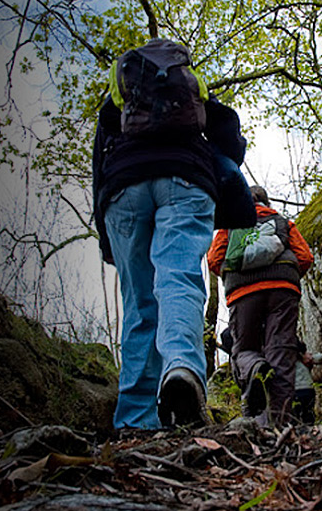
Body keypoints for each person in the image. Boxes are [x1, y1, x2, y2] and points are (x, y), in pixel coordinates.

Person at [92, 38, 250, 430]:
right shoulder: (192, 86)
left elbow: (99, 158)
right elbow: (228, 131)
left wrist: (105, 235)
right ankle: (182, 368)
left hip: (124, 186)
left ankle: (135, 417)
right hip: (186, 179)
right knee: (178, 279)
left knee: (139, 304)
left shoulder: (122, 91)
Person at [208, 186, 313, 426]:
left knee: (244, 349)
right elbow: (305, 257)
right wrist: (287, 278)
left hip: (243, 294)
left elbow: (215, 259)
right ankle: (282, 425)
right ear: (266, 202)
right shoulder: (283, 222)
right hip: (282, 292)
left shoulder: (230, 225)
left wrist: (234, 276)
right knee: (281, 356)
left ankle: (254, 367)